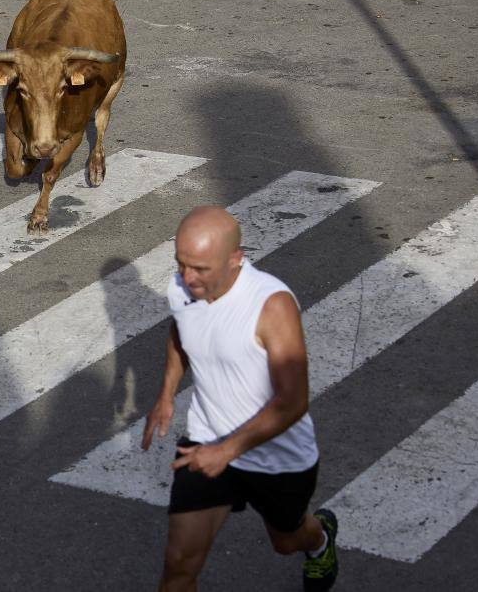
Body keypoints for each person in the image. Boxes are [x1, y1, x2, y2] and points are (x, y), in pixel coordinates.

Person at [142, 205, 338, 592]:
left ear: (235, 259)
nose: (187, 277)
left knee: (286, 541)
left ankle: (319, 540)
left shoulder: (270, 306)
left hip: (278, 457)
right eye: (181, 264)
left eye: (200, 269)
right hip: (207, 439)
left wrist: (228, 451)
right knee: (179, 564)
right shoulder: (183, 287)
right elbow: (181, 330)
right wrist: (166, 393)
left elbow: (292, 401)